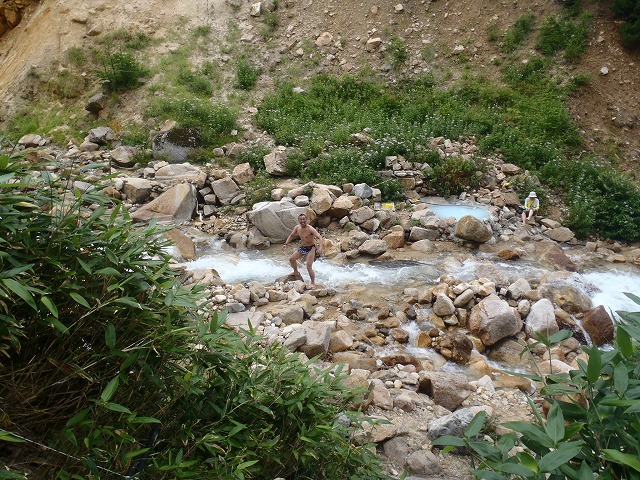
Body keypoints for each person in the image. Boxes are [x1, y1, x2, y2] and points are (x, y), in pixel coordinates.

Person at [283, 213, 324, 287]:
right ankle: (296, 272)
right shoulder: (297, 228)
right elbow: (291, 235)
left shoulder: (310, 228)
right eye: (301, 219)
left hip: (311, 248)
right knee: (292, 259)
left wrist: (320, 247)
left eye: (304, 219)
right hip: (303, 247)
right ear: (298, 220)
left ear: (306, 220)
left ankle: (313, 283)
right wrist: (286, 244)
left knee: (308, 266)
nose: (302, 221)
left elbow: (320, 237)